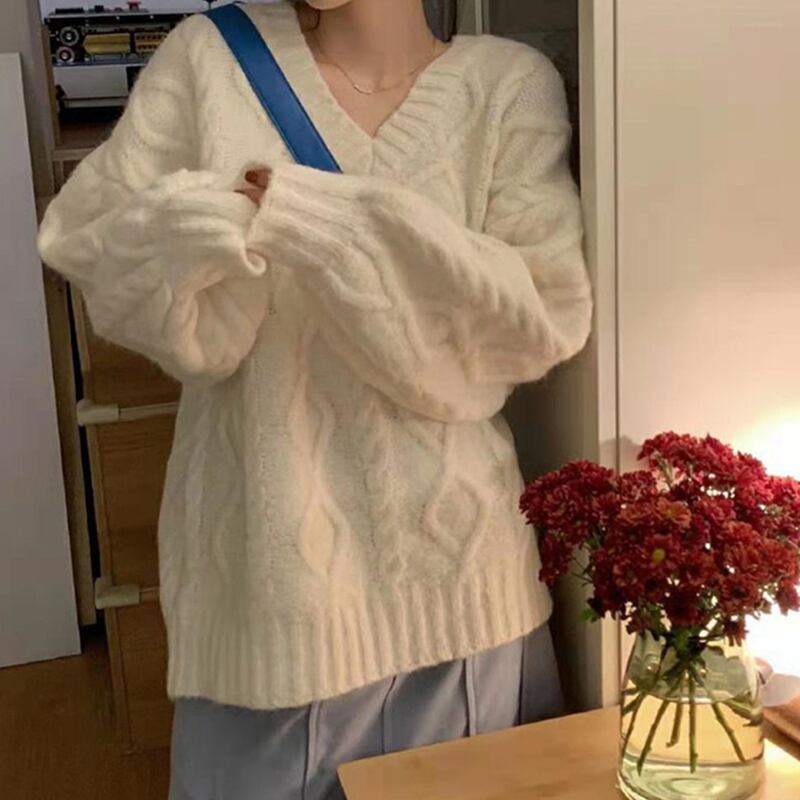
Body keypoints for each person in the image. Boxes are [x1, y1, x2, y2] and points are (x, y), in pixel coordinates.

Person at [38, 1, 592, 797]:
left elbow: (534, 324)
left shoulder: (507, 85)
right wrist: (189, 229)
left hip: (465, 598)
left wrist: (318, 220)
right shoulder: (208, 60)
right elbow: (94, 249)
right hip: (271, 614)